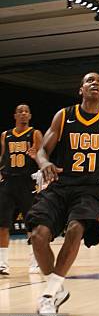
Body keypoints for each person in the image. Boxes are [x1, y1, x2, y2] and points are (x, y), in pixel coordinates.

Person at [25, 72, 99, 314]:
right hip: (60, 185)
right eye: (90, 81)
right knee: (38, 235)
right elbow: (42, 151)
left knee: (76, 229)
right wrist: (44, 164)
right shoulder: (64, 116)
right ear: (81, 90)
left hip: (89, 189)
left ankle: (48, 294)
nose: (95, 84)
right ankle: (58, 289)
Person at [0, 104, 42, 275]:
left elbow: (41, 156)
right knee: (2, 224)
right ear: (15, 115)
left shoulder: (35, 134)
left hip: (27, 182)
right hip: (8, 182)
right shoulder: (6, 135)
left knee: (31, 224)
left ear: (30, 116)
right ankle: (2, 264)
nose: (23, 114)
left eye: (26, 112)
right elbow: (2, 156)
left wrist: (36, 156)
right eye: (20, 112)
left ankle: (35, 262)